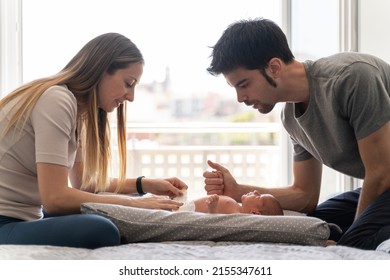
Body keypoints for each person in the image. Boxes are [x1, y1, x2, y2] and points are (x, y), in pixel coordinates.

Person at [203, 18, 390, 250]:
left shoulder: (351, 78)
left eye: (244, 84)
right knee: (314, 226)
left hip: (386, 177)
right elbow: (305, 195)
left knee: (353, 242)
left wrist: (351, 238)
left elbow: (382, 172)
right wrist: (237, 191)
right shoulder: (290, 119)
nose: (240, 98)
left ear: (274, 67)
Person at [0, 33, 187, 249]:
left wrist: (144, 184)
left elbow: (84, 183)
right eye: (128, 83)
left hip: (26, 215)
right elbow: (55, 198)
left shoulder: (76, 111)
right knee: (102, 229)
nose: (131, 97)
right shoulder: (57, 100)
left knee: (102, 218)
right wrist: (136, 204)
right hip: (5, 221)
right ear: (101, 70)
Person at [193, 191, 283, 215]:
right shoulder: (237, 207)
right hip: (185, 206)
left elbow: (217, 224)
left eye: (258, 196)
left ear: (255, 212)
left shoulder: (237, 217)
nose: (255, 191)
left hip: (187, 212)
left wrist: (212, 210)